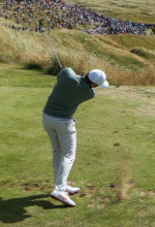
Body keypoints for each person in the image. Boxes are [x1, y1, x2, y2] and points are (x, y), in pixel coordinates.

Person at [42, 67, 109, 207]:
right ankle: (59, 189)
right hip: (63, 123)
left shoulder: (67, 73)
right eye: (97, 85)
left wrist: (72, 77)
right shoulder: (89, 93)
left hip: (47, 117)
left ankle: (61, 184)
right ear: (93, 84)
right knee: (69, 154)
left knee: (57, 152)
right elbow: (78, 84)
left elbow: (62, 76)